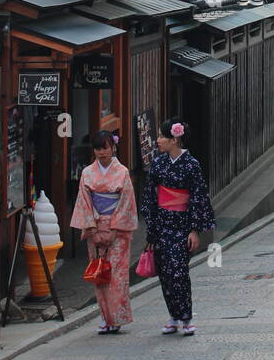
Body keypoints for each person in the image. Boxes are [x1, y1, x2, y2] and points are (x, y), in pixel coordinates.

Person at [142, 118, 215, 335]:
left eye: (162, 137)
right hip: (162, 222)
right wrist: (151, 227)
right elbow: (150, 195)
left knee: (179, 272)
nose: (158, 140)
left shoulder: (191, 164)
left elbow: (198, 196)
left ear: (174, 139)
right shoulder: (158, 163)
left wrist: (194, 229)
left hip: (182, 225)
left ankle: (186, 317)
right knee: (165, 272)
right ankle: (173, 315)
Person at [70, 130, 138, 334]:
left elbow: (126, 203)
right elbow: (84, 202)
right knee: (99, 274)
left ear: (113, 147)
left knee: (117, 275)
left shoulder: (122, 172)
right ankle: (104, 317)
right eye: (98, 148)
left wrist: (114, 229)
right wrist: (92, 228)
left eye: (105, 148)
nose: (101, 152)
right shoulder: (87, 173)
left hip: (118, 230)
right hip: (95, 227)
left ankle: (116, 317)